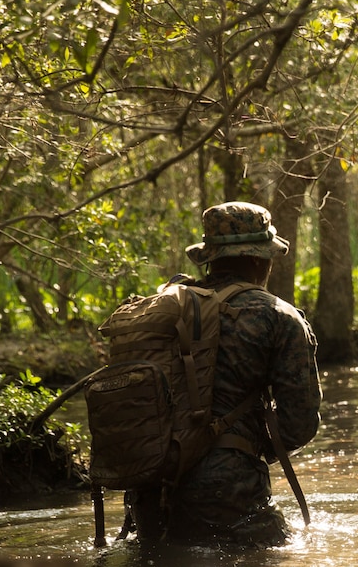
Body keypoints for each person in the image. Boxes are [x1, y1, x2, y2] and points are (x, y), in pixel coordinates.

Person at [126, 201, 322, 547]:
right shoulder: (278, 316)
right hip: (230, 494)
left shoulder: (170, 308)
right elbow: (300, 422)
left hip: (150, 492)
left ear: (210, 258)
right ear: (261, 259)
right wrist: (241, 448)